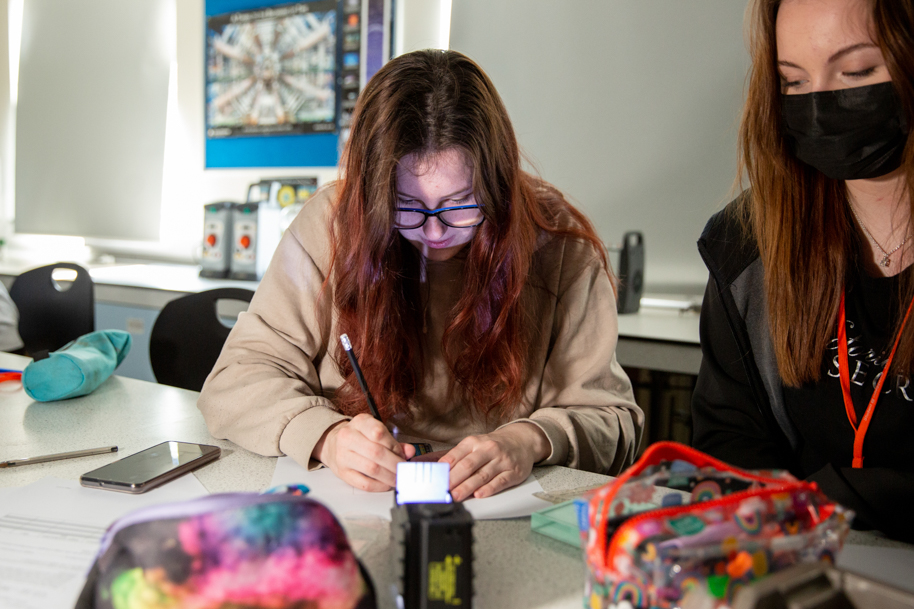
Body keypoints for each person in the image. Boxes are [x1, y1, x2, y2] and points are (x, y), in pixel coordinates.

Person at [198, 49, 643, 501]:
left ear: (498, 182)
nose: (433, 232)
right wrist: (327, 437)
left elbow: (614, 422)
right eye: (404, 205)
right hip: (346, 499)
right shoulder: (330, 225)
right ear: (372, 194)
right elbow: (235, 382)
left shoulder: (559, 243)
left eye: (460, 203)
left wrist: (526, 441)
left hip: (499, 507)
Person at [693, 0, 914, 542]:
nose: (819, 104)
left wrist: (836, 501)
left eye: (857, 72)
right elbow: (728, 442)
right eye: (792, 82)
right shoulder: (747, 243)